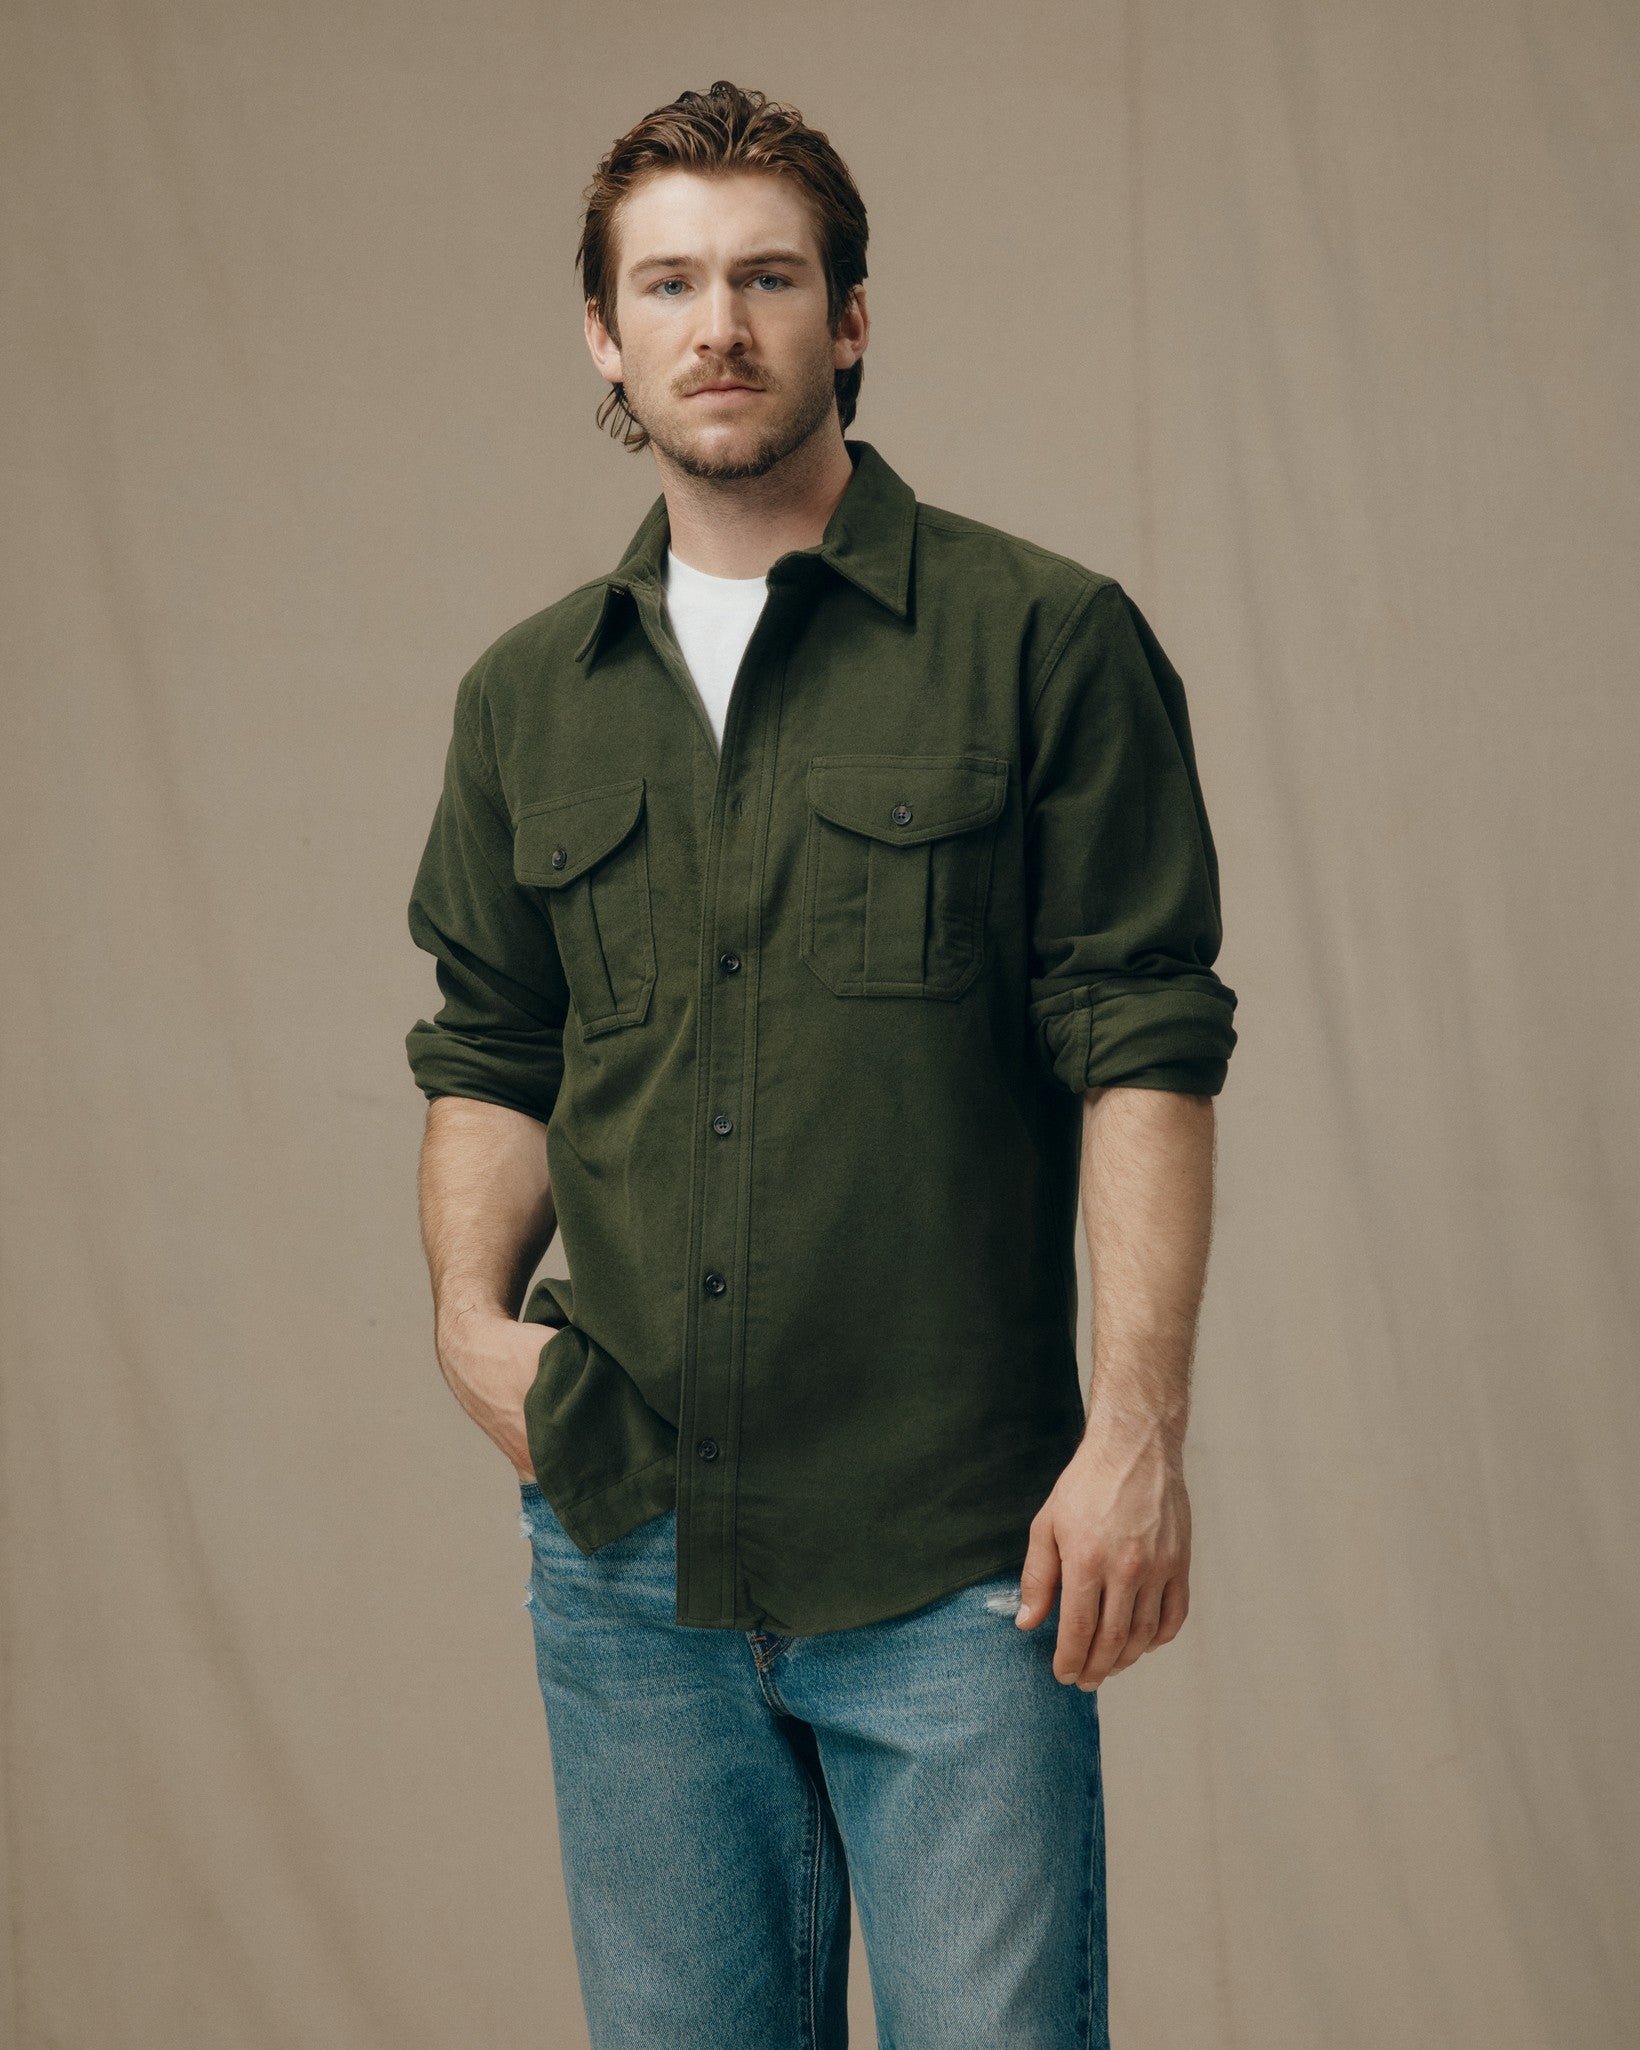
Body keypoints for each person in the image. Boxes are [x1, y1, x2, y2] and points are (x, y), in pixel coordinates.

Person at [404, 77, 1237, 2050]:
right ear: (603, 333)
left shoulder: (1044, 641)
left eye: (767, 277)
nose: (720, 324)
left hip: (956, 1552)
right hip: (629, 1550)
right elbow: (491, 1047)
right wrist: (466, 1326)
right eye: (668, 283)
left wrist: (1136, 1431)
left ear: (848, 317)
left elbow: (1144, 1044)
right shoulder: (528, 699)